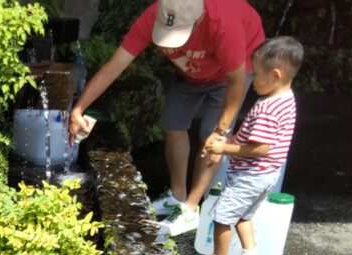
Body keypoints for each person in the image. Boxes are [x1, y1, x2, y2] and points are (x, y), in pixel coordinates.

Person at [68, 0, 264, 239]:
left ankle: (191, 207)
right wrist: (79, 108)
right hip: (194, 73)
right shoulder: (155, 14)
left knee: (209, 136)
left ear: (198, 21)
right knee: (172, 120)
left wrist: (221, 132)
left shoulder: (224, 23)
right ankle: (177, 196)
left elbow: (236, 80)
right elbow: (116, 64)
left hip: (231, 74)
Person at [185, 37, 302, 255]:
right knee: (243, 215)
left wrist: (223, 150)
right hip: (266, 175)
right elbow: (252, 138)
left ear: (276, 75)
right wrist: (228, 139)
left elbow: (260, 148)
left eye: (257, 74)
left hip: (251, 175)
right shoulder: (286, 100)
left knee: (222, 216)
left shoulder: (267, 109)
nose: (253, 81)